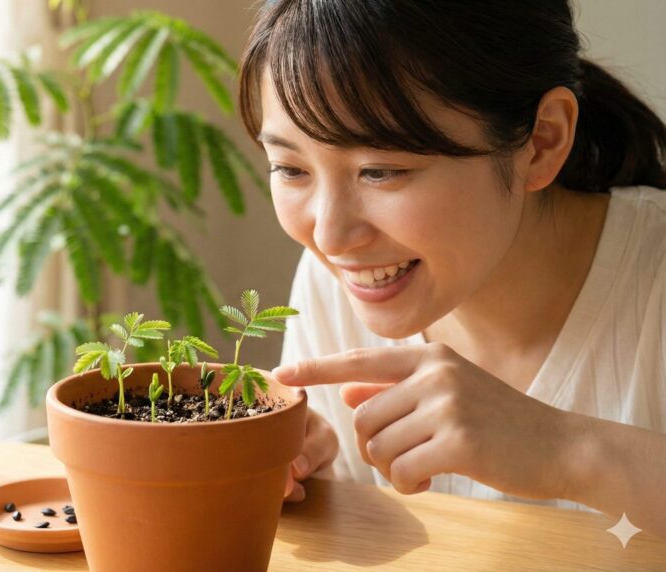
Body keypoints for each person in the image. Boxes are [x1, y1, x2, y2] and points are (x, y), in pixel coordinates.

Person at [237, 0, 666, 538]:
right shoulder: (336, 280)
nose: (329, 235)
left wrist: (568, 450)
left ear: (541, 142)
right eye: (290, 168)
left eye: (381, 171)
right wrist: (310, 481)